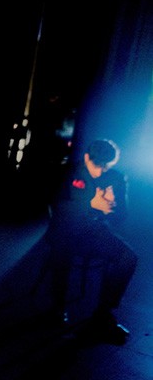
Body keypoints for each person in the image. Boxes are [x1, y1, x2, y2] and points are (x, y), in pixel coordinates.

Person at [43, 138, 138, 344]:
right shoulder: (67, 172)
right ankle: (56, 308)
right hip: (65, 230)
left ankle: (103, 313)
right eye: (97, 165)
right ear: (87, 158)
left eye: (106, 167)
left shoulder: (115, 177)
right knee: (62, 247)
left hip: (93, 233)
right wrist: (90, 204)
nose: (100, 172)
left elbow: (122, 216)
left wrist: (112, 207)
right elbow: (57, 206)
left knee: (128, 257)